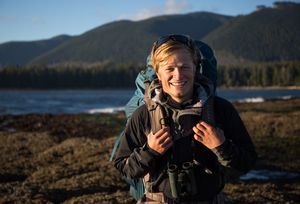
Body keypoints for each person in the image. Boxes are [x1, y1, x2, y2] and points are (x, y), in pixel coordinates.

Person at [114, 34, 257, 203]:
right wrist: (149, 152)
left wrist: (221, 146)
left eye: (184, 67)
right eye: (169, 69)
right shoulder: (144, 115)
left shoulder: (221, 109)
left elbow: (247, 162)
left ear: (195, 68)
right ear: (158, 74)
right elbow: (124, 167)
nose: (178, 75)